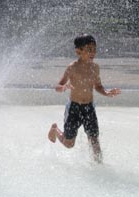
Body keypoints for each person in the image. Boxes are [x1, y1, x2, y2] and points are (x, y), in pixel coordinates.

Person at [48, 34, 121, 163]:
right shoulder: (72, 68)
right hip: (74, 108)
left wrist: (107, 92)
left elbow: (98, 86)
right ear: (78, 51)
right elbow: (58, 86)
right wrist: (65, 87)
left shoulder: (95, 68)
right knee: (69, 144)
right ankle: (55, 130)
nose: (92, 53)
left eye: (94, 49)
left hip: (89, 108)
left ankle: (99, 169)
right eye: (88, 49)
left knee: (94, 141)